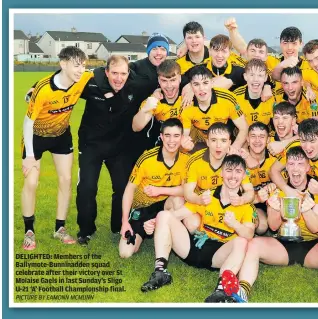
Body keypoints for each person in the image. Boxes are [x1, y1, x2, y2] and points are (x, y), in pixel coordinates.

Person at [217, 146, 318, 303]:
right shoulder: (278, 189)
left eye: (300, 164)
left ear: (307, 167)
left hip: (311, 247)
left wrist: (306, 210)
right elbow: (272, 226)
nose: (295, 169)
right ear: (286, 167)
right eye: (291, 164)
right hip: (282, 246)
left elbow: (316, 228)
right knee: (254, 244)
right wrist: (274, 209)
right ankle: (243, 291)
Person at [140, 155, 255, 297]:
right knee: (164, 215)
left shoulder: (246, 206)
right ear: (221, 173)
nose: (233, 175)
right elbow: (177, 215)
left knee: (242, 241)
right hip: (194, 246)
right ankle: (160, 272)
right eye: (229, 170)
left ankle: (221, 290)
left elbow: (249, 234)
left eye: (238, 171)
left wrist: (235, 225)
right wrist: (153, 222)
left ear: (243, 175)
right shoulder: (207, 196)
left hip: (219, 255)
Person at [21, 46, 92, 250]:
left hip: (61, 136)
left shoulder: (84, 79)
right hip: (35, 137)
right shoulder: (43, 89)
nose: (81, 70)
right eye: (76, 65)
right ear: (63, 64)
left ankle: (59, 228)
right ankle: (29, 231)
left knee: (66, 179)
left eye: (83, 65)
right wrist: (30, 156)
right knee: (32, 182)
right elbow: (28, 122)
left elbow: (111, 71)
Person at [76, 55, 151, 244]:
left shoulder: (135, 86)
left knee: (122, 188)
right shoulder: (91, 82)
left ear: (129, 74)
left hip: (119, 146)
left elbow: (163, 82)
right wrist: (35, 88)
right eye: (114, 73)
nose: (119, 78)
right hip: (91, 144)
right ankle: (85, 230)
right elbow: (66, 80)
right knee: (87, 187)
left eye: (123, 73)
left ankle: (119, 227)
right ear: (106, 72)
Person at [119, 119, 189, 258]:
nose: (171, 140)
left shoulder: (186, 160)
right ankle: (144, 230)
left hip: (165, 205)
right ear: (161, 137)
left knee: (178, 201)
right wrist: (125, 221)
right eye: (167, 135)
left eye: (176, 136)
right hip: (143, 208)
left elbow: (185, 190)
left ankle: (169, 234)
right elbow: (129, 189)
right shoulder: (147, 158)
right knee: (125, 253)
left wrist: (160, 190)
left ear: (181, 138)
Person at [183, 122, 255, 207]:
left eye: (223, 140)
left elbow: (250, 192)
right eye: (214, 140)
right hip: (201, 206)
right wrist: (199, 200)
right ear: (207, 142)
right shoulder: (194, 161)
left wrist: (241, 199)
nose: (218, 145)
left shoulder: (237, 161)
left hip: (229, 206)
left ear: (229, 143)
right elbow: (188, 194)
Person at [180, 66, 248, 150]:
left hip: (224, 133)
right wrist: (185, 144)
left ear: (212, 83)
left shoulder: (228, 99)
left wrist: (234, 149)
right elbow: (185, 135)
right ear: (191, 86)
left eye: (205, 83)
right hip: (200, 135)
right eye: (196, 84)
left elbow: (244, 128)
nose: (201, 88)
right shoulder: (187, 105)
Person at [132, 60, 193, 151]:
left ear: (180, 78)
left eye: (173, 80)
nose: (169, 86)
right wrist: (144, 109)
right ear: (158, 80)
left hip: (187, 148)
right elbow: (136, 127)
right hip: (161, 148)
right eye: (164, 81)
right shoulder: (154, 101)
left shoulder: (188, 98)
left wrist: (192, 89)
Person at [241, 122, 276, 235]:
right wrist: (257, 198)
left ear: (268, 140)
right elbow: (237, 196)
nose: (257, 140)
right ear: (247, 139)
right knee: (262, 227)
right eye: (253, 136)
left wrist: (275, 186)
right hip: (251, 202)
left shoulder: (275, 159)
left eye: (262, 137)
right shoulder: (240, 161)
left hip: (274, 202)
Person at [233, 59, 276, 126]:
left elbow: (275, 125)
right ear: (245, 76)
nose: (255, 79)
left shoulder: (273, 97)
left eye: (260, 75)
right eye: (252, 75)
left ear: (265, 78)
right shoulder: (235, 96)